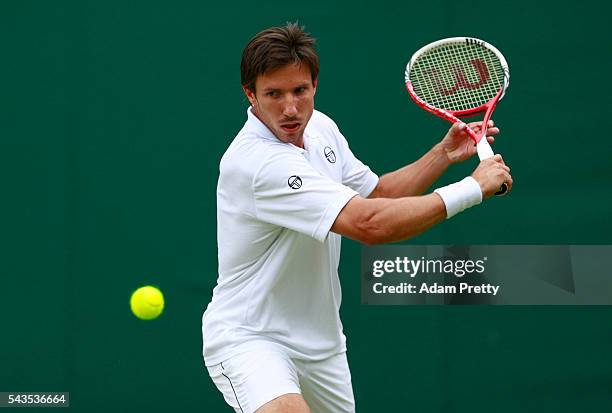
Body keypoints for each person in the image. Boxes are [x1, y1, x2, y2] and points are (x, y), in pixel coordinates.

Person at [202, 23, 512, 413]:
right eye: (273, 94)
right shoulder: (257, 163)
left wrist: (441, 156)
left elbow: (376, 194)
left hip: (322, 345)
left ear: (314, 84)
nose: (290, 108)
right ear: (251, 95)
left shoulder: (322, 129)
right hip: (251, 337)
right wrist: (472, 188)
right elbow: (369, 224)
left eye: (300, 91)